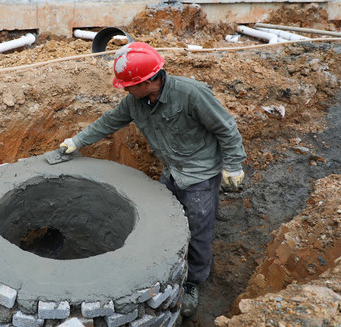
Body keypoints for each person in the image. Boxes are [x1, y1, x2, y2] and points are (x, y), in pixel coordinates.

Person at [59, 42, 246, 317]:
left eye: (128, 84)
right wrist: (77, 141)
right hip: (171, 168)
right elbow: (109, 121)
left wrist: (233, 164)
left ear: (149, 81)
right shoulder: (136, 101)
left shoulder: (190, 94)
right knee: (165, 220)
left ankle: (194, 279)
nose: (124, 89)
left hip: (199, 174)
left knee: (198, 229)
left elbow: (226, 128)